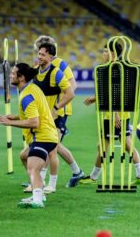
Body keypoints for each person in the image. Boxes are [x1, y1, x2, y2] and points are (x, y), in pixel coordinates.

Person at [80, 41, 140, 185]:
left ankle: (93, 177)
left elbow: (117, 93)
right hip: (119, 114)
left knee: (104, 146)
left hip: (114, 114)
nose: (103, 54)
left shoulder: (115, 69)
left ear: (114, 54)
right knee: (124, 145)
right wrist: (96, 98)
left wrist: (115, 114)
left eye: (105, 51)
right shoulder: (117, 68)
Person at [22, 42, 83, 194]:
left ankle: (51, 184)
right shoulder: (35, 70)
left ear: (51, 56)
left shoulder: (57, 71)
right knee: (32, 152)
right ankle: (39, 181)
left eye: (42, 54)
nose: (39, 57)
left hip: (56, 117)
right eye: (38, 53)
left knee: (52, 150)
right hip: (41, 117)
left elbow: (70, 92)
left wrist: (56, 108)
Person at [0, 63, 58, 208]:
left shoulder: (26, 95)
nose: (10, 75)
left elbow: (34, 122)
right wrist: (16, 117)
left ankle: (38, 200)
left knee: (33, 167)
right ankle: (39, 193)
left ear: (21, 77)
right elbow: (34, 113)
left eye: (13, 73)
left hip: (42, 136)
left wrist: (9, 123)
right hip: (48, 134)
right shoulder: (31, 88)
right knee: (24, 156)